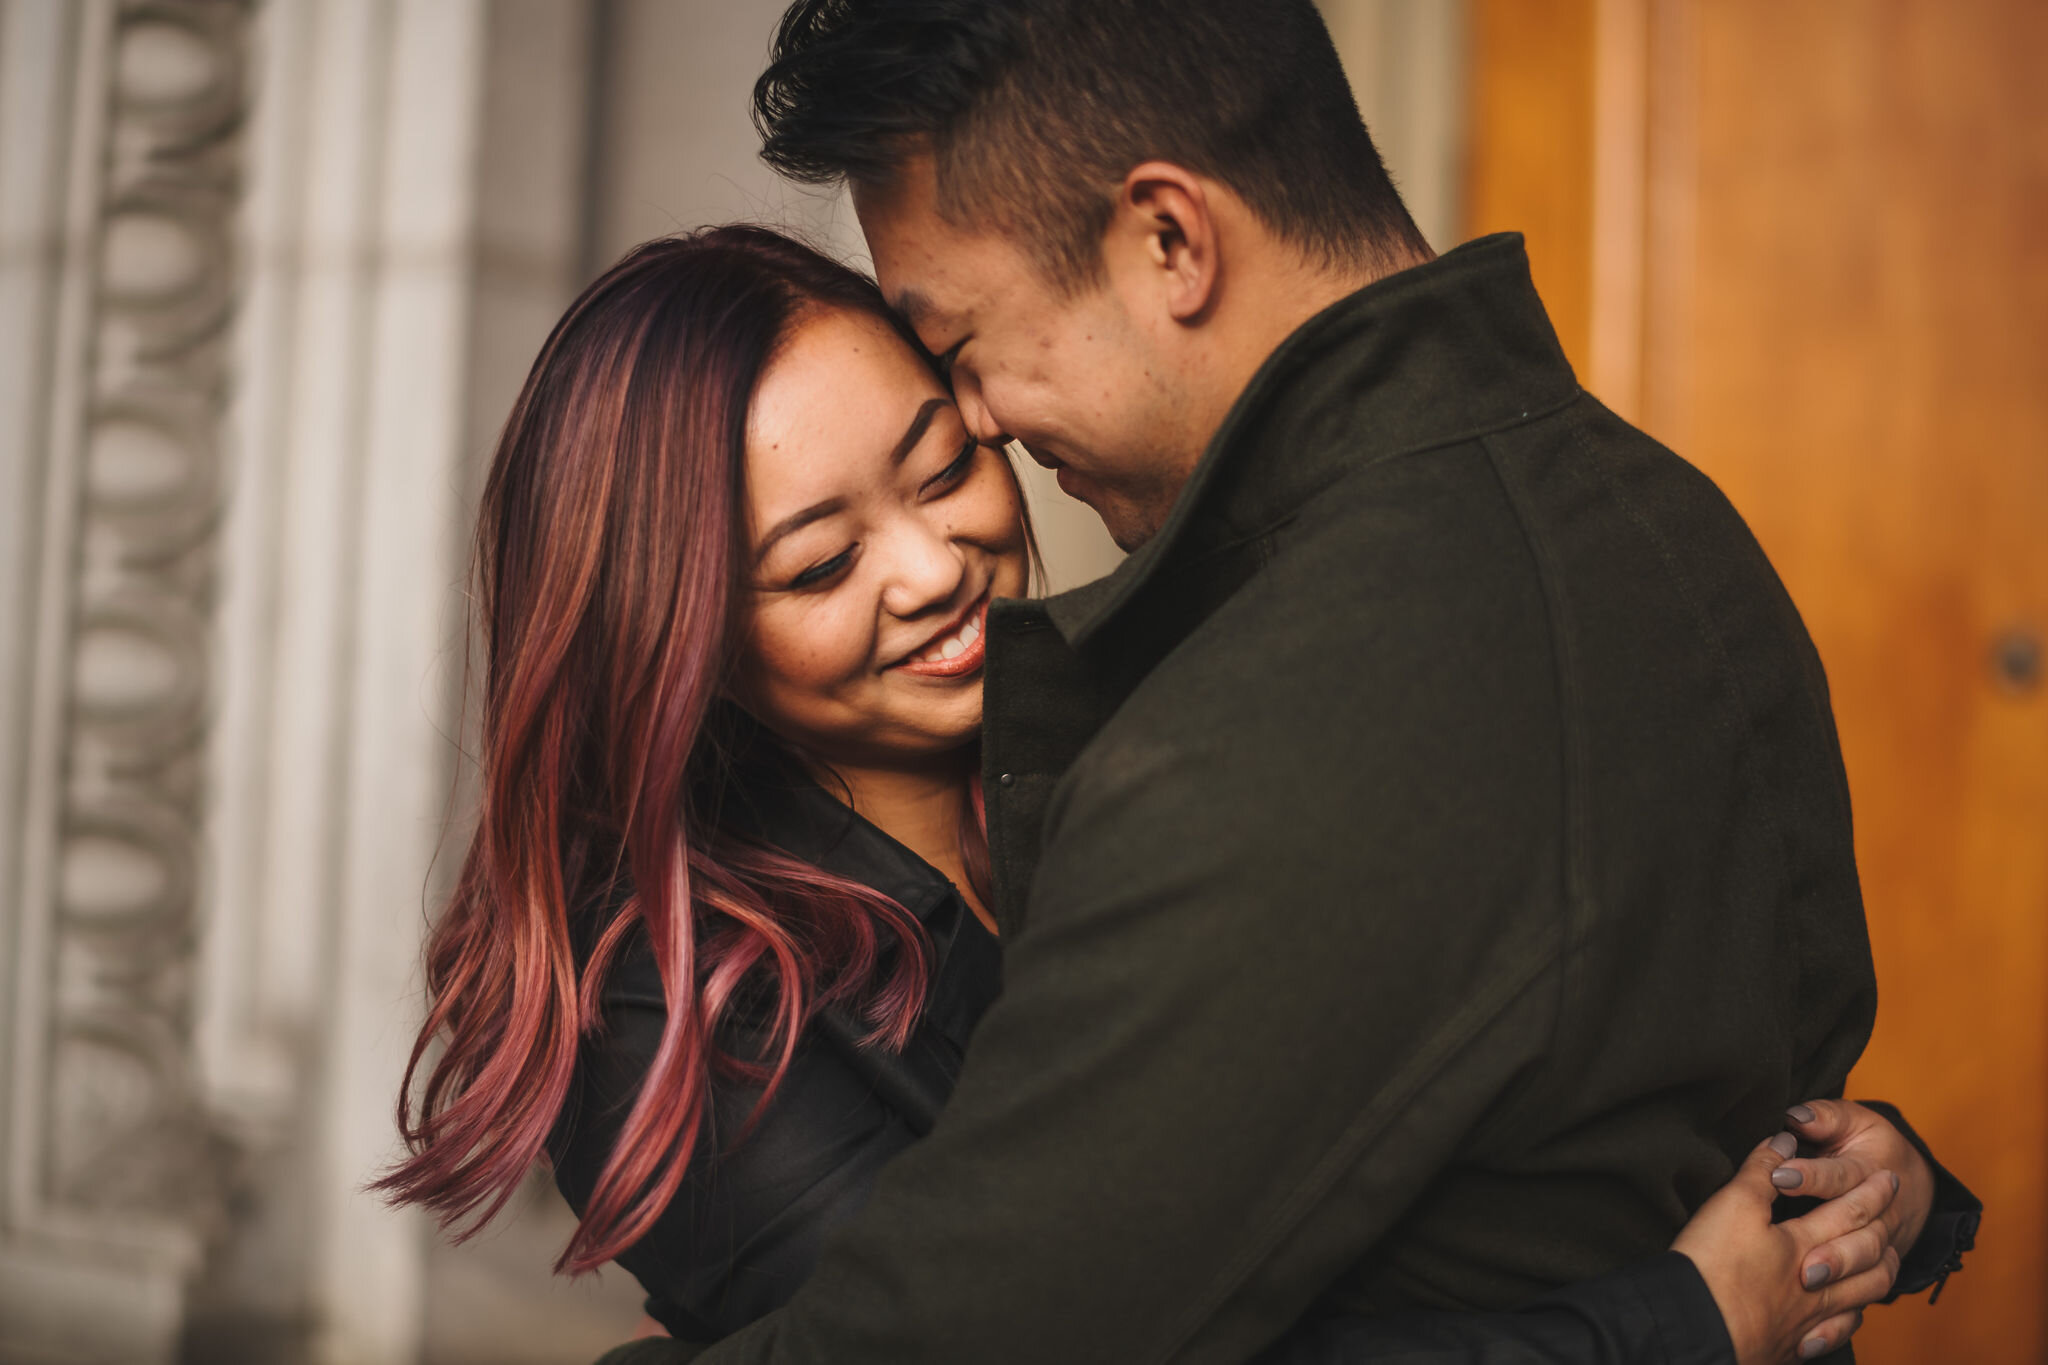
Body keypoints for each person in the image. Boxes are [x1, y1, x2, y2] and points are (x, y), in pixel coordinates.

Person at [562, 1, 1976, 1361]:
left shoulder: (1266, 714)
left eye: (960, 365)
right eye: (815, 561)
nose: (981, 429)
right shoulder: (1676, 526)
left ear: (1170, 238)